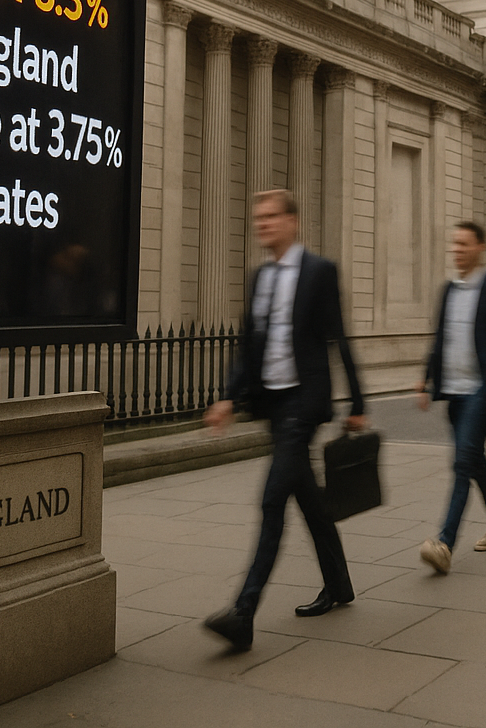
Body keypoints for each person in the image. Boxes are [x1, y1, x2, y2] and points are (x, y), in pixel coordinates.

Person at [201, 190, 366, 651]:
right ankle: (339, 585)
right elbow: (249, 345)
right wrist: (228, 398)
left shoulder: (318, 272)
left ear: (292, 221)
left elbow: (339, 338)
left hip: (304, 404)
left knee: (273, 500)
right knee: (309, 500)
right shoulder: (260, 278)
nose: (263, 224)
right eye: (259, 217)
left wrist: (357, 400)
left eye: (272, 217)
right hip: (274, 404)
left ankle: (243, 612)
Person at [415, 221, 486, 574]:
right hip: (454, 391)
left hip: (483, 390)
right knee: (474, 458)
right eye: (455, 244)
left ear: (481, 248)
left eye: (464, 244)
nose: (457, 250)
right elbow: (441, 338)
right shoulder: (448, 290)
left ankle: (444, 543)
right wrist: (426, 380)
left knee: (462, 462)